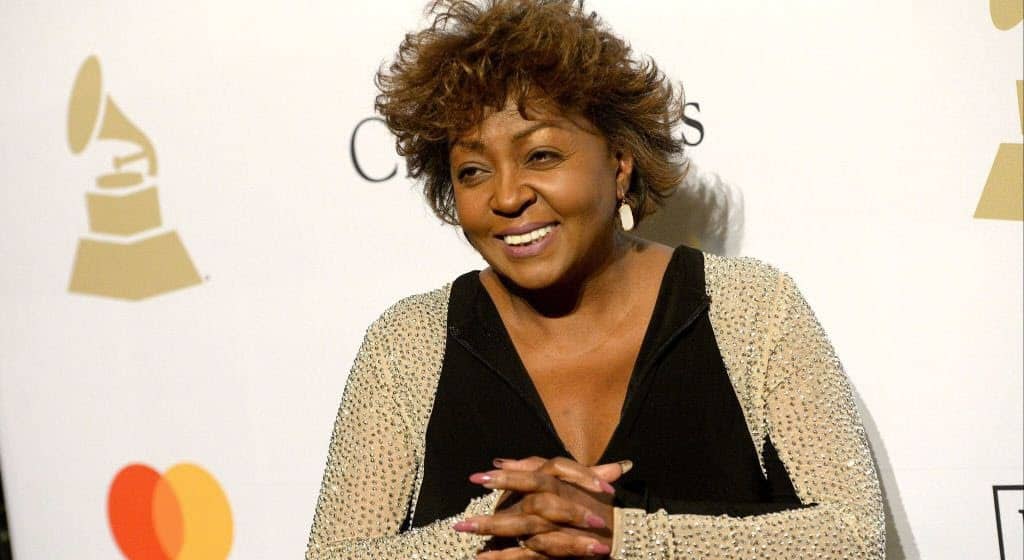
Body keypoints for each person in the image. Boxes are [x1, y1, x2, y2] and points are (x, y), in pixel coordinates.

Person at [306, 1, 884, 558]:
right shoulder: (409, 344)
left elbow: (852, 538)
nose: (506, 196)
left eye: (541, 156)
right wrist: (503, 526)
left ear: (619, 163)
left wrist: (621, 536)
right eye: (474, 170)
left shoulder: (751, 310)